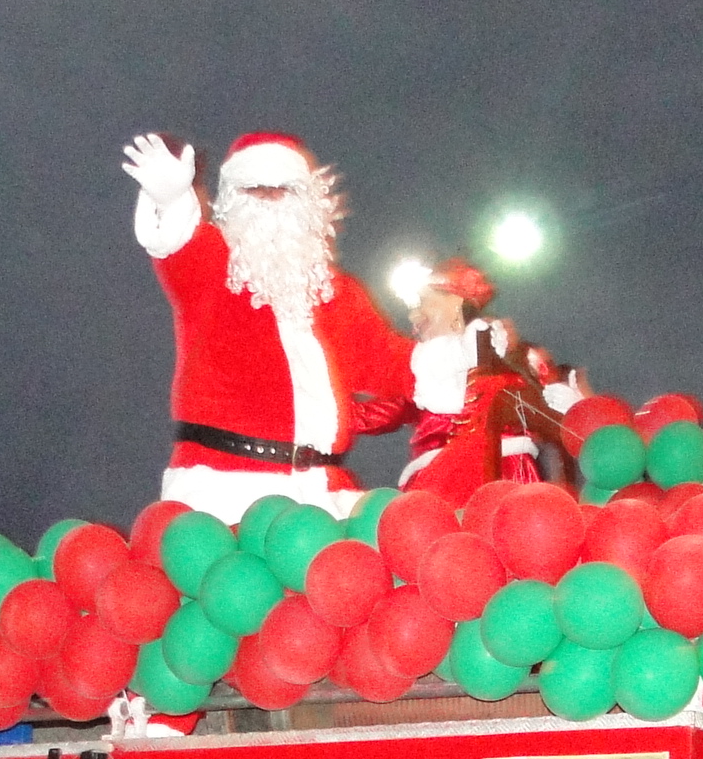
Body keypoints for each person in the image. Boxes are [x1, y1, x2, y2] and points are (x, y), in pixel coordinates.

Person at [122, 130, 411, 521]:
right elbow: (178, 244)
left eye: (284, 189)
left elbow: (389, 363)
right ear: (233, 198)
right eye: (255, 189)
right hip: (225, 493)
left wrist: (464, 355)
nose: (270, 198)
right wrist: (172, 201)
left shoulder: (338, 293)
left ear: (308, 201)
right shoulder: (210, 266)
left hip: (322, 496)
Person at [393, 258, 585, 500]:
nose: (413, 316)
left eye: (422, 303)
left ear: (455, 303)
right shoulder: (422, 371)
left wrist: (572, 409)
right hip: (437, 485)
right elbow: (381, 412)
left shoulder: (516, 356)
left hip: (508, 478)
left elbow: (556, 422)